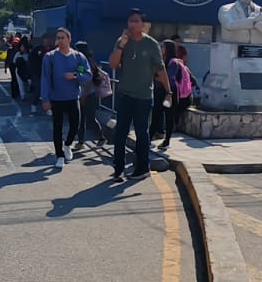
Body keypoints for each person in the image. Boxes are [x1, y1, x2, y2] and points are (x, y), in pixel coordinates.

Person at [109, 9, 170, 181]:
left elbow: (160, 69)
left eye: (136, 21)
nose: (133, 24)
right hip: (125, 94)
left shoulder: (151, 44)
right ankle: (118, 169)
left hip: (144, 96)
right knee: (121, 132)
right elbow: (113, 64)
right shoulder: (122, 41)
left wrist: (169, 91)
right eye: (130, 21)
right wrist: (121, 45)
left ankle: (142, 168)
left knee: (142, 133)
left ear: (143, 24)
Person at [40, 28, 91, 169]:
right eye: (58, 38)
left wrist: (75, 76)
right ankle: (60, 155)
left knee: (75, 124)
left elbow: (86, 74)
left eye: (63, 37)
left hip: (73, 97)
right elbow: (45, 78)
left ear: (69, 39)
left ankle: (68, 144)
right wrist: (45, 99)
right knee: (57, 128)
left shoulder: (78, 57)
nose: (60, 40)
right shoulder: (50, 57)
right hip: (56, 98)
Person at [158, 41, 194, 150]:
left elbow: (170, 78)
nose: (161, 49)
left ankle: (166, 140)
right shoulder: (164, 60)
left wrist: (158, 78)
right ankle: (158, 136)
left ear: (168, 49)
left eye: (163, 47)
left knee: (169, 116)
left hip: (172, 92)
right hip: (166, 91)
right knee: (162, 113)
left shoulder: (173, 62)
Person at [76, 40, 107, 149]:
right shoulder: (89, 61)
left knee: (87, 119)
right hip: (88, 93)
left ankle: (100, 137)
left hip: (87, 94)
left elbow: (86, 80)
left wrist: (83, 95)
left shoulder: (84, 63)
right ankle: (81, 141)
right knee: (84, 119)